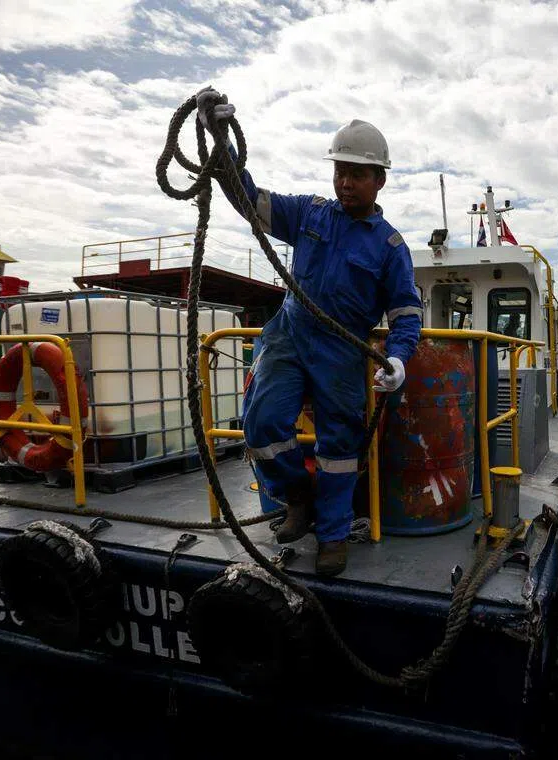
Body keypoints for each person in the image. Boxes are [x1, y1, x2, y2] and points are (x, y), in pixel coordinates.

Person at [195, 86, 423, 577]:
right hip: (289, 334)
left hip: (342, 351)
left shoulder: (390, 248)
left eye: (357, 174)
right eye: (340, 171)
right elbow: (247, 198)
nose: (345, 182)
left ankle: (334, 536)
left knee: (340, 449)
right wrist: (221, 139)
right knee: (260, 422)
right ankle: (297, 495)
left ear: (379, 180)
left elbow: (406, 316)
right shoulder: (310, 213)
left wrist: (400, 360)